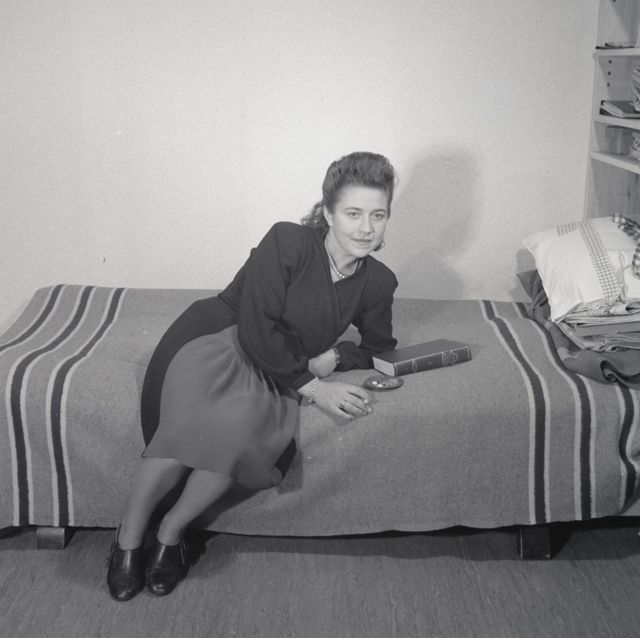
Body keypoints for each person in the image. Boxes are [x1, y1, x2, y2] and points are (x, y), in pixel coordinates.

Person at [106, 151, 399, 601]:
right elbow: (257, 325)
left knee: (238, 438)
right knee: (186, 427)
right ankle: (127, 538)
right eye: (353, 213)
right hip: (221, 340)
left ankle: (169, 533)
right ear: (328, 213)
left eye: (378, 215)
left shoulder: (378, 282)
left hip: (282, 366)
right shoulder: (288, 241)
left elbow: (379, 346)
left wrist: (336, 356)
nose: (366, 228)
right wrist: (314, 387)